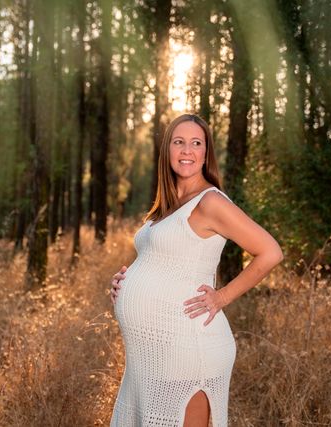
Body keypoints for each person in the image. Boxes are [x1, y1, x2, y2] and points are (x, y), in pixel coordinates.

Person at [109, 114, 283, 427]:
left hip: (188, 348)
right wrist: (125, 285)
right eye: (179, 142)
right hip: (150, 356)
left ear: (205, 153)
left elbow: (270, 252)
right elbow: (161, 262)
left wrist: (222, 296)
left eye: (196, 143)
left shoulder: (210, 201)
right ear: (167, 151)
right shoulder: (169, 205)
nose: (187, 149)